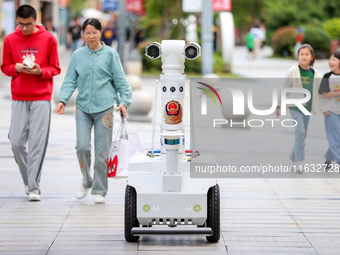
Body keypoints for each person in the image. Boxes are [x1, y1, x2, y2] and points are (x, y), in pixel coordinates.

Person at [56, 18, 132, 204]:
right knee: (82, 147)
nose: (91, 36)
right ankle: (86, 180)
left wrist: (125, 102)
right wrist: (62, 100)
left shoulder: (110, 54)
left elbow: (121, 81)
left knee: (102, 152)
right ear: (82, 33)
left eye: (94, 32)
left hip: (105, 109)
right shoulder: (77, 55)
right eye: (87, 32)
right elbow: (69, 81)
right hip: (83, 108)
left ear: (100, 32)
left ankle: (100, 189)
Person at [1, 5, 61, 201]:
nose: (24, 29)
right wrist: (16, 68)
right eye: (20, 24)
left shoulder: (49, 38)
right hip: (19, 96)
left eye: (27, 25)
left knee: (37, 143)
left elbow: (55, 68)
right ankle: (30, 179)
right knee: (16, 142)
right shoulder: (10, 39)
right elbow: (5, 67)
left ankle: (33, 187)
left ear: (35, 20)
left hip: (41, 97)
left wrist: (40, 72)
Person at [276, 44, 327, 172]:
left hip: (308, 108)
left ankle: (293, 157)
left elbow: (322, 94)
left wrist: (326, 108)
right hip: (295, 107)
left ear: (312, 57)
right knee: (300, 131)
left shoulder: (316, 74)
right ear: (298, 56)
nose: (304, 57)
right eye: (301, 54)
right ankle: (299, 161)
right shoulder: (292, 71)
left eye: (307, 54)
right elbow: (285, 88)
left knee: (303, 135)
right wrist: (279, 105)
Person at [318, 51, 340, 169]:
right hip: (331, 112)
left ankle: (328, 157)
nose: (331, 62)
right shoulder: (327, 77)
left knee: (337, 138)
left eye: (334, 60)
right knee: (335, 138)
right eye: (330, 59)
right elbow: (325, 95)